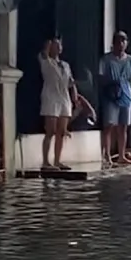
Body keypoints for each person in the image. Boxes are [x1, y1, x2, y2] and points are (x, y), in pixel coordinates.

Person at [38, 37, 89, 171]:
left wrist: (75, 97)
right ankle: (45, 161)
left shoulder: (65, 65)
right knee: (51, 131)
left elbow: (71, 82)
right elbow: (43, 54)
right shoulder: (46, 61)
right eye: (56, 45)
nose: (59, 47)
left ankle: (57, 161)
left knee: (61, 131)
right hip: (51, 97)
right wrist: (47, 47)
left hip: (64, 98)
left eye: (60, 45)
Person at [99, 31, 131, 165]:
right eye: (118, 41)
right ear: (113, 44)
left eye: (123, 41)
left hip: (126, 95)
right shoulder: (106, 60)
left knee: (123, 126)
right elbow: (101, 77)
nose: (121, 44)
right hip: (110, 95)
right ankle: (107, 156)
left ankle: (121, 155)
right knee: (109, 125)